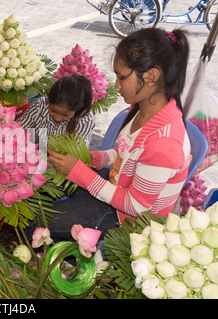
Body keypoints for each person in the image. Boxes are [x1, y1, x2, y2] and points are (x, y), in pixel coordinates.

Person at [46, 28, 192, 242]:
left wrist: (81, 174)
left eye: (122, 77)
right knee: (51, 198)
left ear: (151, 76)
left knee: (41, 225)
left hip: (131, 223)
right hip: (119, 185)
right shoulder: (145, 107)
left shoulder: (164, 145)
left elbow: (136, 206)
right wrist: (91, 159)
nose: (116, 84)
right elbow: (125, 151)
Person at [19, 74, 95, 148]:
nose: (57, 118)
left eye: (65, 115)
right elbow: (20, 127)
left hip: (66, 156)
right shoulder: (39, 105)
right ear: (48, 100)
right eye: (53, 110)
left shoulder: (84, 118)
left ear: (78, 108)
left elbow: (72, 154)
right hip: (38, 147)